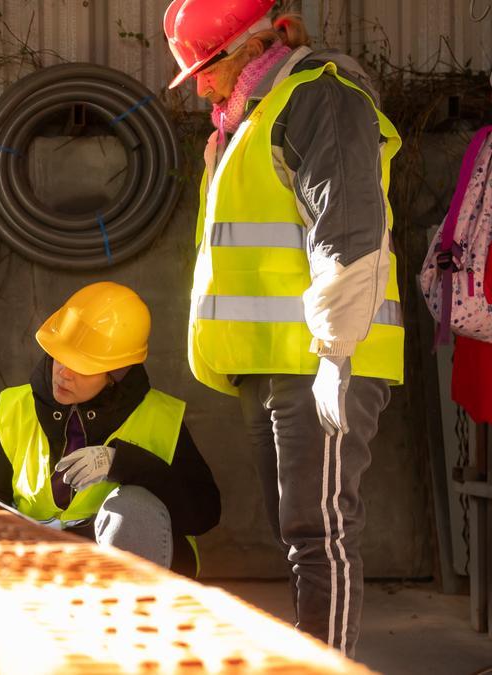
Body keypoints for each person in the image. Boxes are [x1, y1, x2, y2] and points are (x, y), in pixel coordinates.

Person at [164, 0, 403, 655]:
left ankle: (328, 667)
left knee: (319, 530)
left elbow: (346, 229)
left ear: (251, 43)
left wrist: (335, 350)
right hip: (276, 361)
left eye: (207, 68)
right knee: (301, 531)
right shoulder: (251, 117)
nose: (203, 85)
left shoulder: (320, 96)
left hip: (323, 357)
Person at [0, 282, 220, 577]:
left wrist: (122, 464)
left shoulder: (160, 417)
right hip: (37, 563)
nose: (64, 373)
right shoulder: (16, 406)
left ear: (116, 374)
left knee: (133, 509)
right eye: (61, 355)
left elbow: (204, 513)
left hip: (128, 573)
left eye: (82, 365)